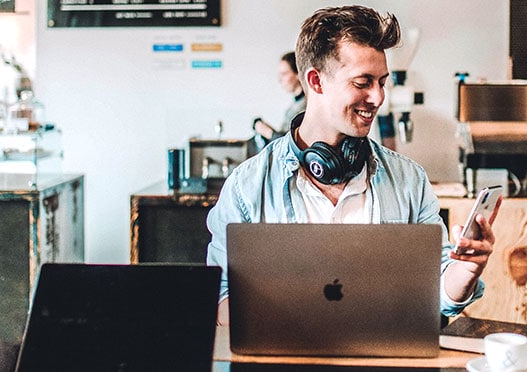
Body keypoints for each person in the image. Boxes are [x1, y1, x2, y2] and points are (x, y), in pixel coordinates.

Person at [206, 5, 496, 326]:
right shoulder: (247, 186)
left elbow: (437, 292)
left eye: (382, 82)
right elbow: (220, 297)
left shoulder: (409, 179)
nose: (377, 97)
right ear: (316, 81)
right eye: (363, 82)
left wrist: (466, 270)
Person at [249, 52, 307, 156]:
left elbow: (293, 144)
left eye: (284, 74)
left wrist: (267, 132)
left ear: (298, 74)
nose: (280, 80)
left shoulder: (305, 105)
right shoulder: (296, 104)